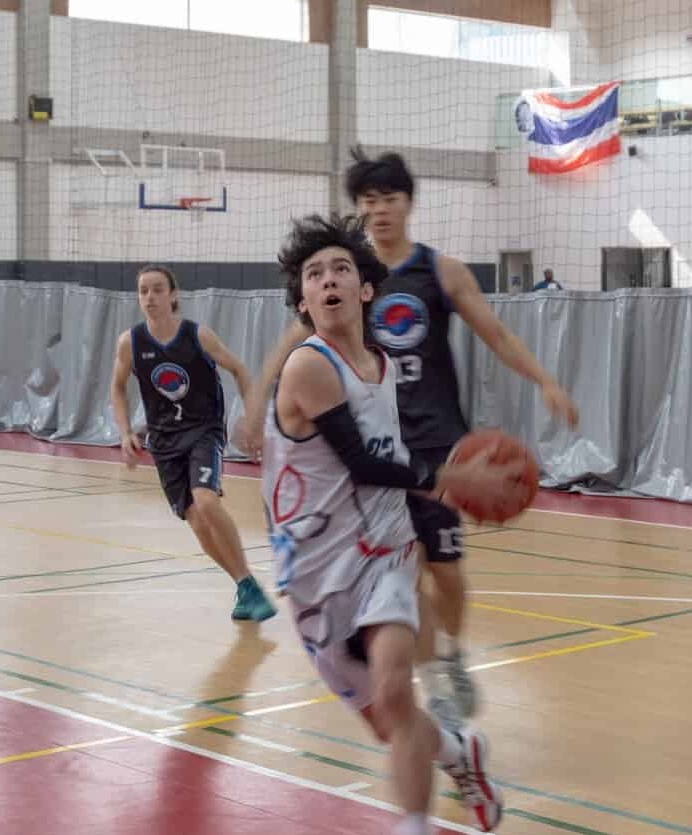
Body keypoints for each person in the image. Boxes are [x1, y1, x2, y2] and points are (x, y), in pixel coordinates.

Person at [237, 150, 580, 722]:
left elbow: (494, 332)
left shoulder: (438, 272)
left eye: (389, 199)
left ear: (408, 204)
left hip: (439, 442)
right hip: (373, 449)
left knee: (446, 571)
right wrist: (255, 405)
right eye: (368, 201)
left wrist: (544, 380)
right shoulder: (337, 278)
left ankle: (447, 654)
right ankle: (427, 686)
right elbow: (287, 347)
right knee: (400, 572)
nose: (379, 211)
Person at [263, 213, 505, 835]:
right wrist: (455, 482)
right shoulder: (309, 364)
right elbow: (366, 461)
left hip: (385, 557)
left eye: (340, 269)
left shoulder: (380, 364)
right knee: (390, 727)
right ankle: (460, 755)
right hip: (314, 578)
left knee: (397, 693)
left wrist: (444, 482)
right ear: (303, 303)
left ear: (367, 289)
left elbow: (385, 472)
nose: (328, 280)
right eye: (314, 276)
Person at [110, 266, 276, 623]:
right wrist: (125, 432)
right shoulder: (131, 342)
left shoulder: (198, 336)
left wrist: (253, 419)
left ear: (173, 295)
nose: (150, 297)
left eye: (157, 289)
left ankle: (249, 586)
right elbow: (117, 387)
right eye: (143, 291)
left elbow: (241, 370)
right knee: (196, 522)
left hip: (203, 431)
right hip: (164, 442)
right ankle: (244, 584)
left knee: (206, 500)